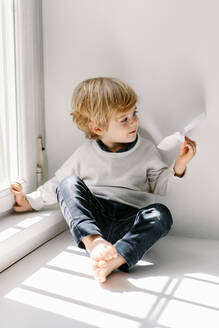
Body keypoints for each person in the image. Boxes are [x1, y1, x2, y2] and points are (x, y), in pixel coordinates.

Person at [10, 77, 196, 283]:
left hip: (129, 220)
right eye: (123, 119)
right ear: (98, 128)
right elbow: (58, 183)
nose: (133, 121)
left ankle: (117, 258)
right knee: (68, 184)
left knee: (161, 214)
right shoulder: (85, 153)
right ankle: (93, 243)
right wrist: (31, 201)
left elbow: (161, 186)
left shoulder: (147, 150)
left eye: (134, 113)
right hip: (95, 217)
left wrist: (180, 164)